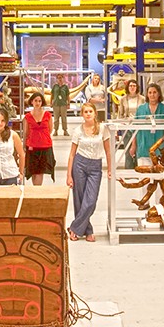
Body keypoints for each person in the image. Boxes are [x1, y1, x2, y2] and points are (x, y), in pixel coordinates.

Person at [67, 104, 113, 242]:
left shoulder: (103, 129)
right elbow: (71, 154)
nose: (88, 114)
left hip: (95, 166)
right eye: (85, 112)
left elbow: (108, 151)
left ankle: (74, 228)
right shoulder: (77, 131)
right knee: (80, 199)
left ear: (95, 113)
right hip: (79, 164)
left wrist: (110, 168)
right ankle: (88, 231)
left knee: (91, 201)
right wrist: (69, 175)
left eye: (90, 111)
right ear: (82, 114)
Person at [130, 84, 164, 169]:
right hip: (143, 147)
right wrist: (133, 146)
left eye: (154, 92)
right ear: (147, 94)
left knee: (158, 176)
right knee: (144, 176)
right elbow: (135, 129)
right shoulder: (141, 109)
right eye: (150, 92)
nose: (152, 95)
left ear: (159, 94)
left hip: (159, 149)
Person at [22, 93, 56, 185]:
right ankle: (36, 190)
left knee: (40, 171)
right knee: (33, 171)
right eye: (36, 100)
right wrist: (24, 146)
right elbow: (26, 132)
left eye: (39, 101)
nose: (37, 103)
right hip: (32, 146)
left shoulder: (48, 115)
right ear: (32, 101)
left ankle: (37, 189)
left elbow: (50, 129)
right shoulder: (27, 117)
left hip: (45, 146)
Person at [0, 109, 25, 185]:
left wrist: (21, 172)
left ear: (6, 122)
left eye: (3, 121)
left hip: (11, 175)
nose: (0, 123)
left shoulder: (13, 135)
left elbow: (21, 154)